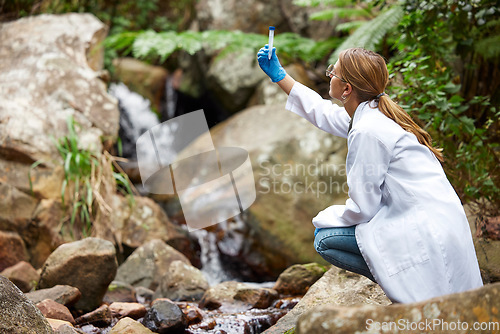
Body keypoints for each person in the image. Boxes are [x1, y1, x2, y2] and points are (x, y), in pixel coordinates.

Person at [257, 44, 483, 303]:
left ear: (347, 89)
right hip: (438, 223)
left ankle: (407, 287)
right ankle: (407, 280)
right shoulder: (372, 114)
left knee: (325, 238)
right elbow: (323, 113)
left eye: (334, 72)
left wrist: (323, 217)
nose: (329, 74)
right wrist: (280, 76)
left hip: (428, 231)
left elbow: (363, 207)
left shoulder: (369, 130)